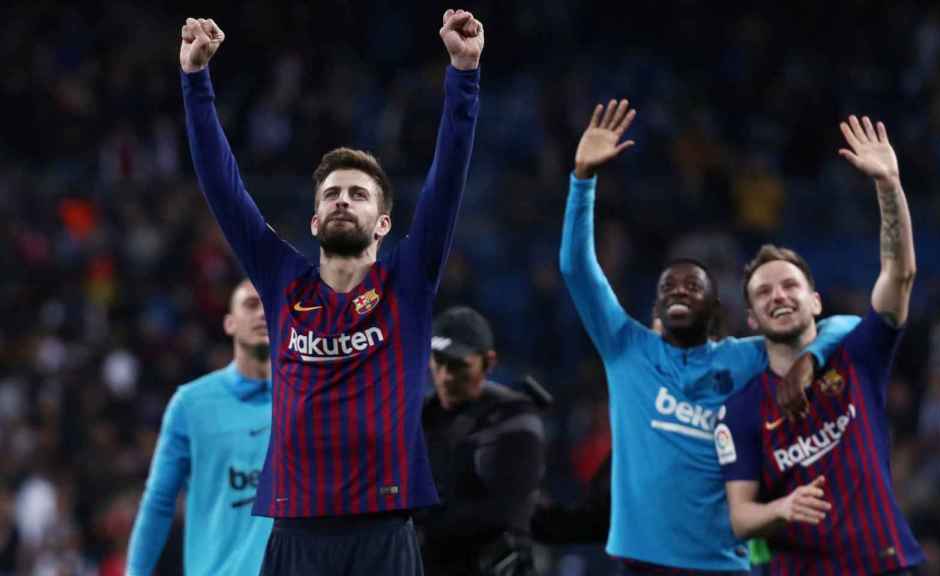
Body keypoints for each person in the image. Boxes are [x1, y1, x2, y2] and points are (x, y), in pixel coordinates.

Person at [177, 9, 483, 575]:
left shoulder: (407, 284)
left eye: (359, 195)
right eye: (333, 194)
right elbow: (223, 187)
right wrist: (196, 83)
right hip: (294, 535)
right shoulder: (282, 281)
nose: (343, 200)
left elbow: (448, 179)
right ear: (315, 221)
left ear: (384, 223)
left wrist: (464, 74)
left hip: (384, 534)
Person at [559, 98, 860, 574]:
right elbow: (577, 267)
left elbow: (847, 328)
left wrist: (807, 361)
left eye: (693, 285)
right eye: (668, 286)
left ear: (716, 307)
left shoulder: (747, 358)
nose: (679, 289)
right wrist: (583, 180)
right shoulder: (625, 348)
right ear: (655, 307)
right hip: (641, 565)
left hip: (724, 567)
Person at [716, 115, 924, 574]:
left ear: (815, 302)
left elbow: (900, 274)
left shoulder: (858, 357)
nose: (779, 296)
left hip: (885, 564)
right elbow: (740, 516)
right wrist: (781, 509)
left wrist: (889, 185)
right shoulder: (742, 410)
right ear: (752, 318)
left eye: (790, 286)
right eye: (764, 293)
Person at [125, 279, 272, 575]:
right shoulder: (191, 405)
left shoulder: (307, 400)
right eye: (251, 305)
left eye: (271, 306)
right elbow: (158, 502)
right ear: (229, 324)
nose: (263, 314)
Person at [418, 306, 546, 576]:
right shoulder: (422, 416)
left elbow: (505, 512)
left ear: (488, 362)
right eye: (438, 362)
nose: (444, 376)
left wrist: (423, 517)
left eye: (457, 365)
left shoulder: (513, 419)